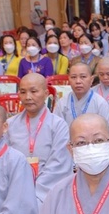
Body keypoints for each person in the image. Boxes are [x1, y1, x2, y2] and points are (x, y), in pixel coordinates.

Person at [5, 73, 72, 205]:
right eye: (23, 92)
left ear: (46, 94)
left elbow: (58, 165)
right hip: (14, 191)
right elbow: (3, 162)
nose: (28, 97)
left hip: (46, 193)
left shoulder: (58, 125)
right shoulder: (10, 124)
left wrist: (32, 194)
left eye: (34, 91)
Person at [54, 63, 109, 129]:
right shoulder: (62, 103)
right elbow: (56, 128)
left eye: (83, 77)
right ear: (69, 79)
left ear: (91, 80)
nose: (78, 81)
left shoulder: (100, 103)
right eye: (73, 77)